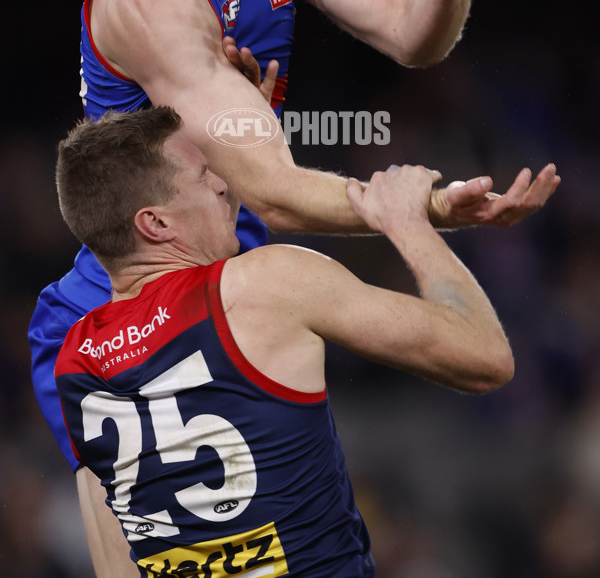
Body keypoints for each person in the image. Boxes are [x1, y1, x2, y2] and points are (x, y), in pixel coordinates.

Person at [28, 0, 559, 576]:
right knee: (158, 532)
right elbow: (269, 185)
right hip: (130, 292)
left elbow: (411, 34)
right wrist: (416, 207)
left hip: (224, 249)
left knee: (291, 536)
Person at [54, 107, 516, 578]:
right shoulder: (263, 285)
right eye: (203, 175)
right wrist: (408, 221)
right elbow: (484, 355)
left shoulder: (74, 361)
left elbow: (119, 560)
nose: (222, 184)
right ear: (154, 224)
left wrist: (247, 113)